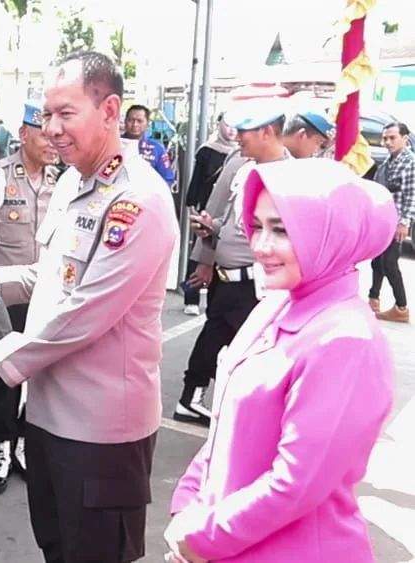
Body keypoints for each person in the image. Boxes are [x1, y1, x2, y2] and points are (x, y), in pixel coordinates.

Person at [0, 51, 178, 562]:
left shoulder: (138, 201)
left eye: (65, 114)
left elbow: (83, 315)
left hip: (100, 432)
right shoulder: (72, 181)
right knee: (57, 548)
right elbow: (49, 278)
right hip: (46, 416)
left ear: (110, 110)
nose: (50, 129)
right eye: (46, 115)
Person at [165, 158, 396, 563]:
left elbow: (295, 484)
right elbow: (223, 431)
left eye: (282, 230)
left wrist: (200, 537)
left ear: (332, 234)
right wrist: (186, 507)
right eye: (256, 226)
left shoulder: (346, 339)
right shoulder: (275, 305)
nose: (260, 246)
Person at [0, 100, 60, 496]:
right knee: (5, 376)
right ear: (23, 134)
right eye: (43, 133)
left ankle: (21, 444)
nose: (52, 142)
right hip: (5, 300)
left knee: (38, 376)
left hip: (47, 299)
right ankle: (1, 447)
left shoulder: (62, 181)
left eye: (55, 133)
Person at [174, 105, 291, 427]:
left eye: (244, 131)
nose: (236, 137)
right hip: (226, 277)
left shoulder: (291, 175)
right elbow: (218, 212)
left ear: (267, 131)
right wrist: (206, 254)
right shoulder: (238, 164)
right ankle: (195, 398)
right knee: (216, 336)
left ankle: (238, 410)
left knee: (248, 350)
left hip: (258, 283)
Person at [182, 113, 237, 315]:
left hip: (226, 213)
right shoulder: (207, 150)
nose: (231, 130)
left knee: (218, 255)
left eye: (234, 126)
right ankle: (191, 297)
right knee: (197, 254)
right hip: (205, 208)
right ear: (219, 125)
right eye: (227, 125)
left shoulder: (240, 153)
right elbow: (197, 180)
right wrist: (192, 204)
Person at [369, 121, 414, 323]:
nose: (387, 142)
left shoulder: (410, 162)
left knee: (389, 263)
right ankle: (373, 298)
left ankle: (401, 307)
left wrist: (404, 222)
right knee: (377, 260)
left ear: (404, 138)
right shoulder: (388, 162)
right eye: (385, 138)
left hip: (397, 223)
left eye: (392, 138)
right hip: (383, 221)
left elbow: (412, 195)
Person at [122, 104, 175, 186]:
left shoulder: (157, 149)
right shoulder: (113, 145)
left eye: (139, 121)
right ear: (125, 121)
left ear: (147, 124)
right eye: (131, 120)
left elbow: (167, 179)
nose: (135, 124)